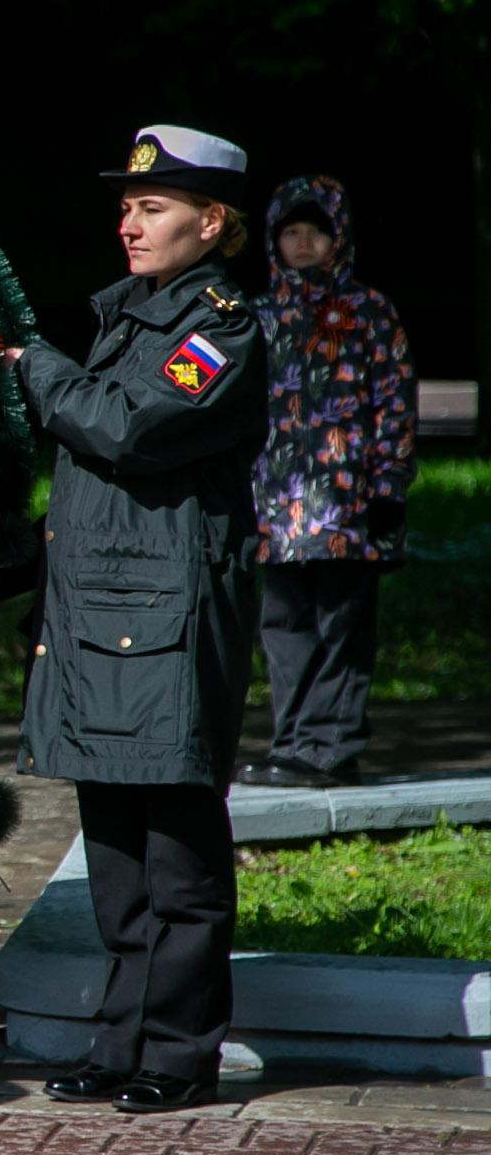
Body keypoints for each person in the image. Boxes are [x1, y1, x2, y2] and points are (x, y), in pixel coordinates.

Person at [14, 125, 266, 1115]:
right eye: (123, 205)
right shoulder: (132, 316)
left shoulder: (220, 326)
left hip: (168, 618)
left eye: (152, 206)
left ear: (211, 222)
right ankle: (121, 1038)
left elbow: (123, 425)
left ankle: (178, 1048)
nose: (129, 220)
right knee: (116, 856)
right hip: (105, 616)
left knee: (177, 856)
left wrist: (32, 363)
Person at [242, 175, 414, 790]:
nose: (305, 242)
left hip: (349, 503)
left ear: (338, 238)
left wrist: (390, 483)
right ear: (273, 240)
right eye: (292, 230)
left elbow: (395, 399)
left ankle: (333, 746)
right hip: (276, 506)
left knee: (340, 625)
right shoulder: (256, 318)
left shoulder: (368, 311)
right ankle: (293, 743)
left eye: (317, 230)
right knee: (284, 627)